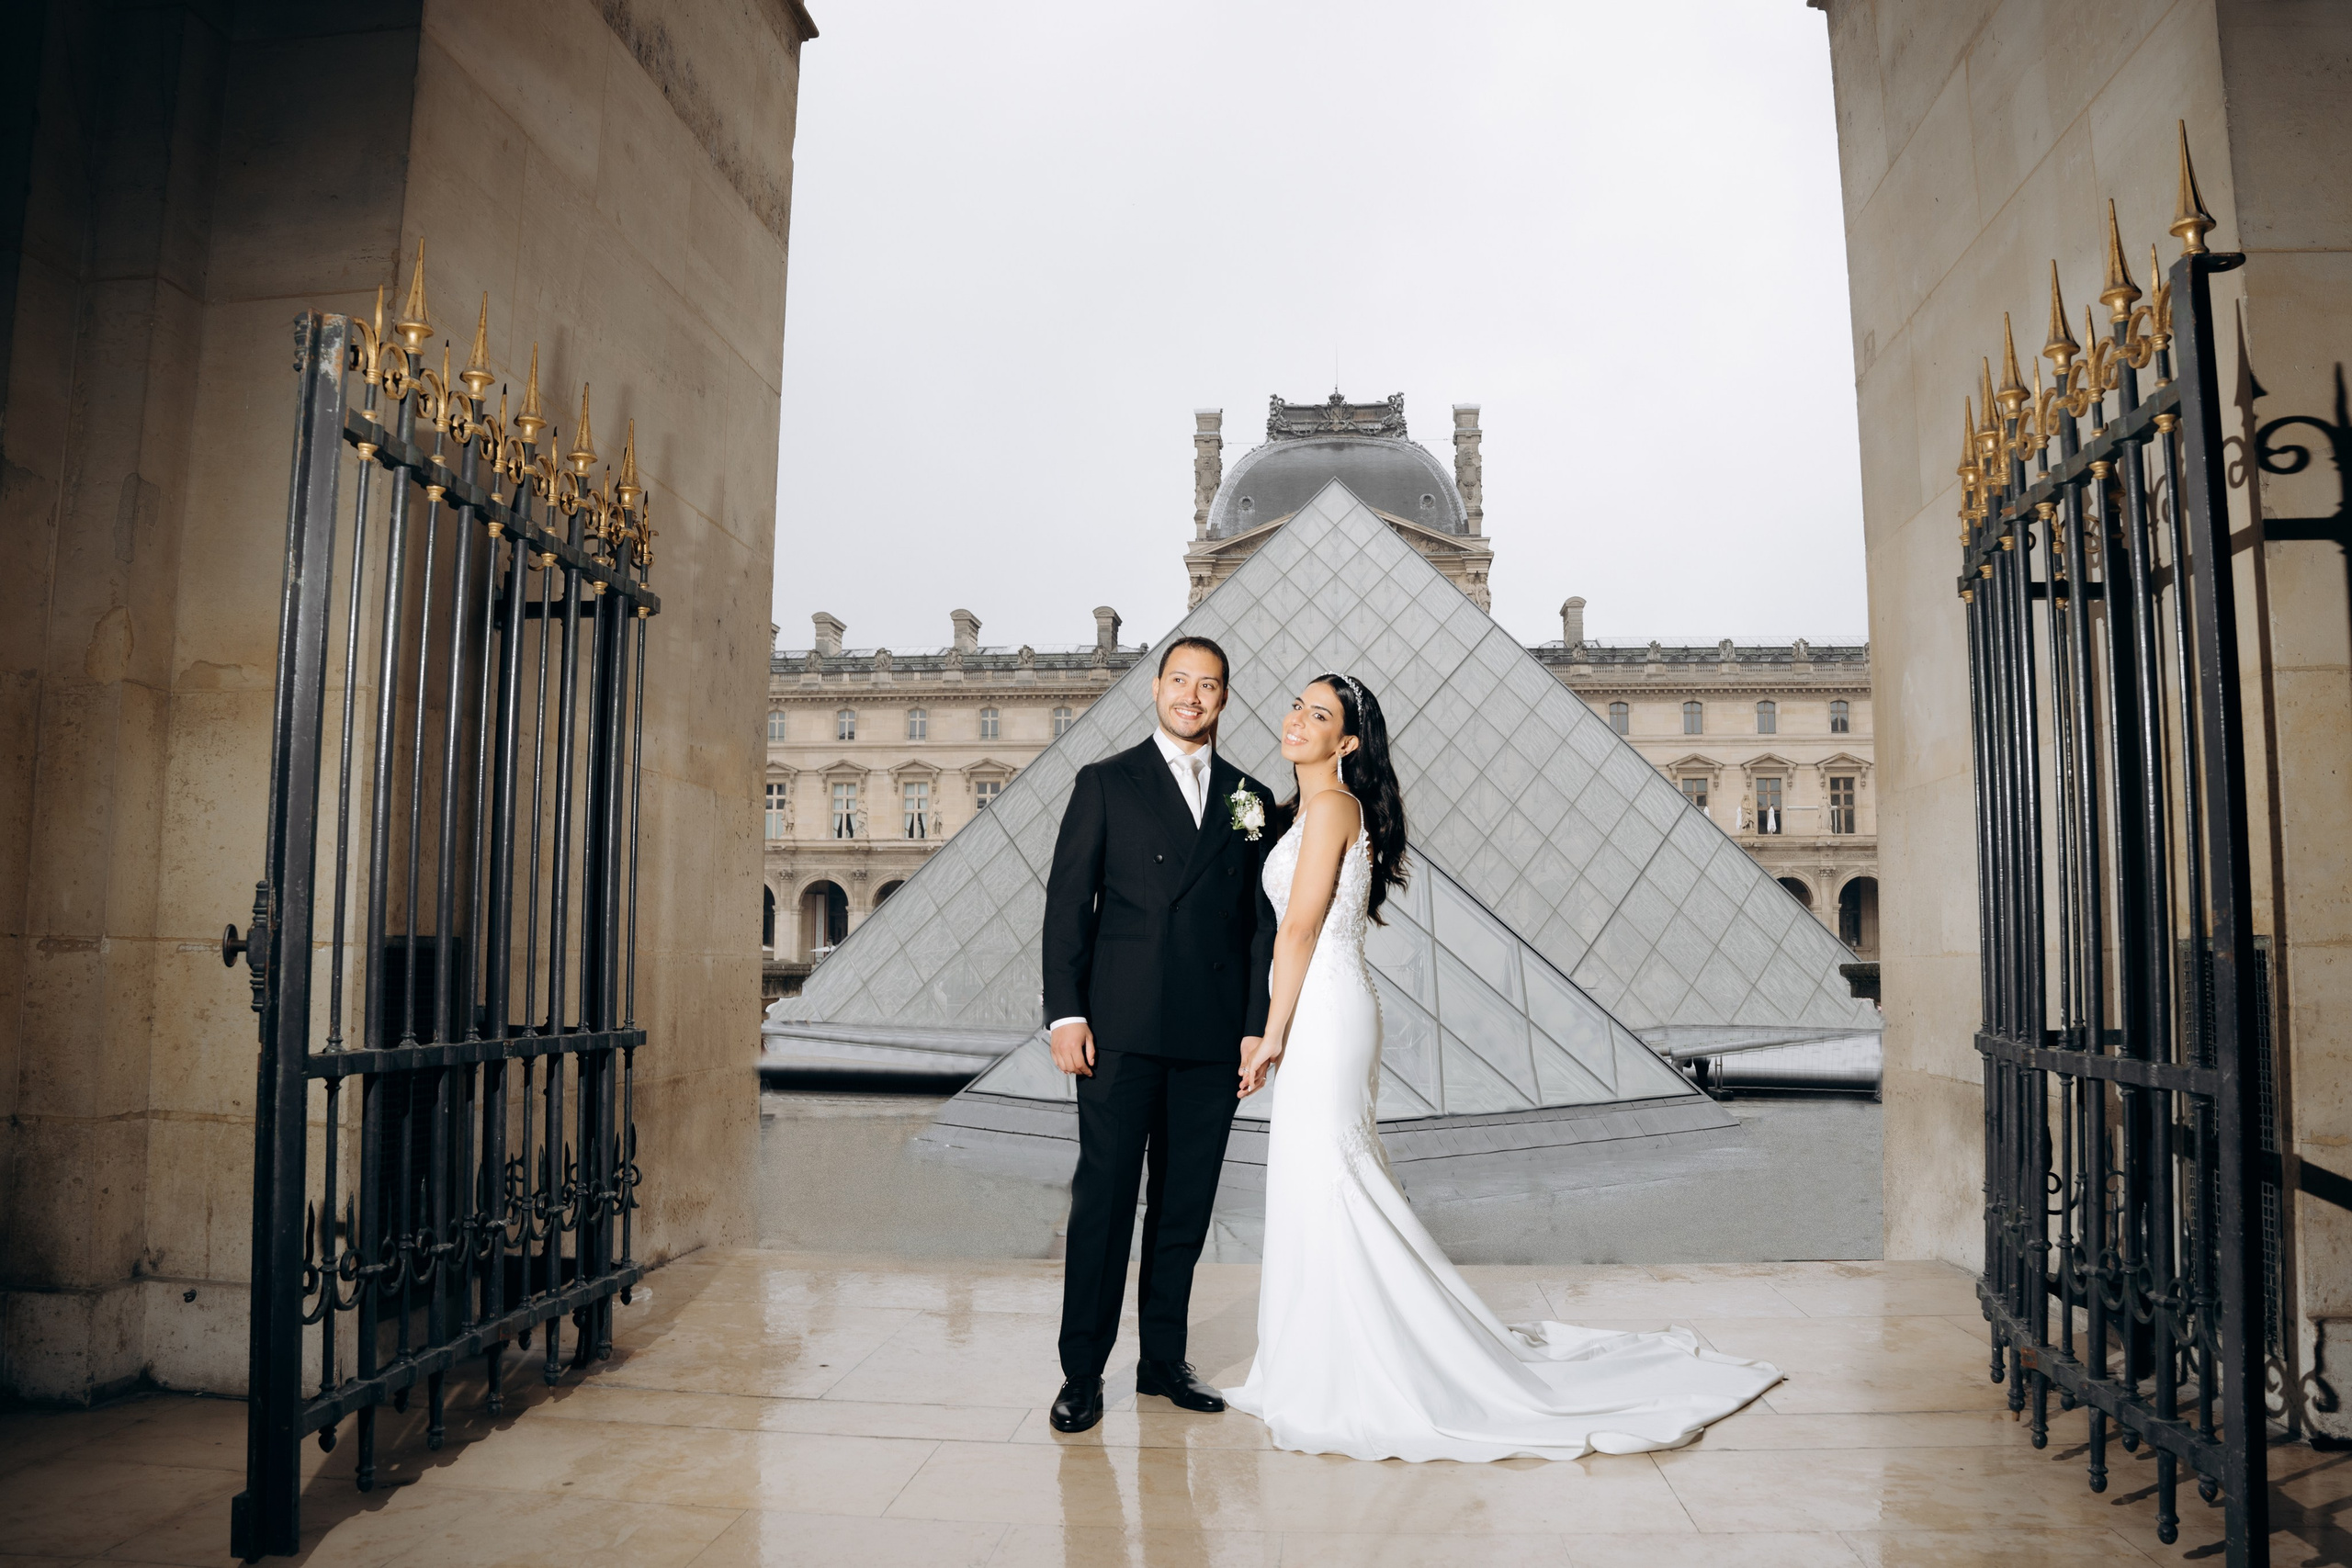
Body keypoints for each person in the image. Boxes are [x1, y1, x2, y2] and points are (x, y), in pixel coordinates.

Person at [1222, 672, 1784, 1461]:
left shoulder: (1331, 809)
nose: (1297, 720)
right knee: (1325, 1176)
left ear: (1346, 742)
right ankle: (1320, 1354)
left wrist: (1269, 1031)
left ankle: (1342, 1363)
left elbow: (1300, 930)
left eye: (1320, 714)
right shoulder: (1302, 812)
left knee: (1328, 1177)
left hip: (1320, 1008)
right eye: (1296, 705)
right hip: (1327, 1003)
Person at [1039, 636, 1278, 1434]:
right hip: (1121, 1030)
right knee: (1103, 1204)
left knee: (1183, 1207)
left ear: (1224, 698)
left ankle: (1162, 1359)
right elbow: (1069, 904)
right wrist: (1065, 1013)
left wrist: (1254, 1029)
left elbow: (1256, 925)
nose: (1193, 695)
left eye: (1208, 685)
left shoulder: (1249, 797)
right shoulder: (1105, 781)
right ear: (1156, 689)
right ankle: (1081, 1371)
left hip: (1211, 1037)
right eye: (1181, 680)